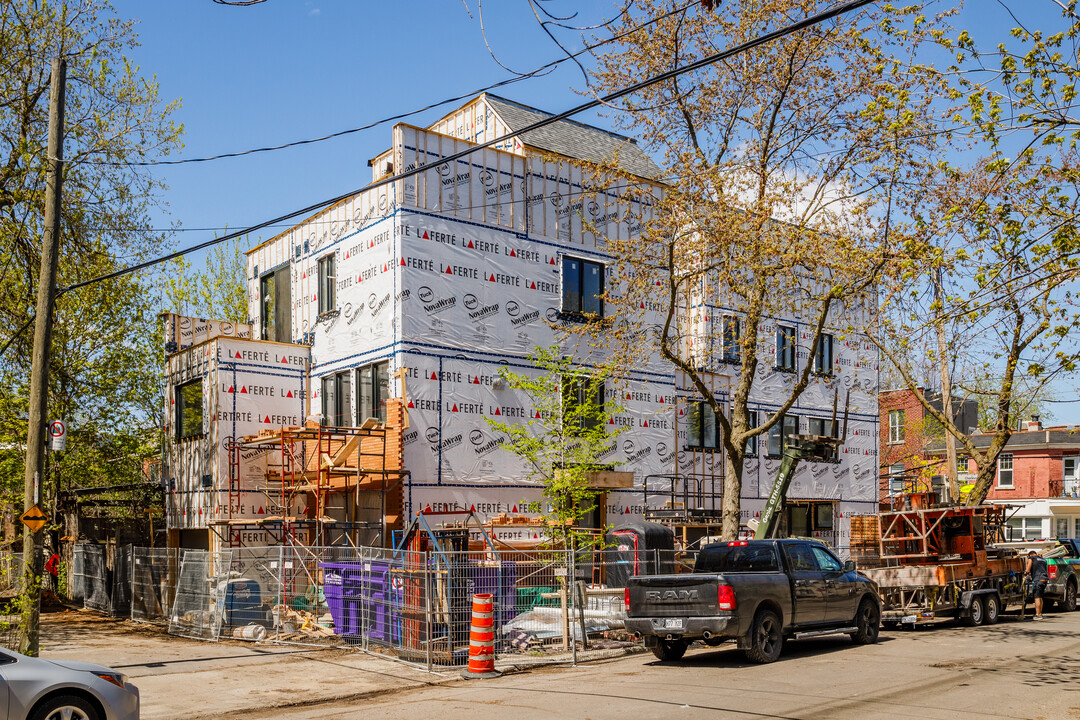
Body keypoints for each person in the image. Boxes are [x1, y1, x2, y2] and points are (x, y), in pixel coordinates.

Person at [1025, 550, 1049, 620]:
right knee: (1040, 597)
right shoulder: (1043, 559)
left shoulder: (1031, 558)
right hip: (1044, 580)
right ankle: (1040, 613)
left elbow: (1028, 569)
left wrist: (1025, 573)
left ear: (1030, 555)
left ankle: (1038, 615)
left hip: (1038, 580)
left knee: (1037, 597)